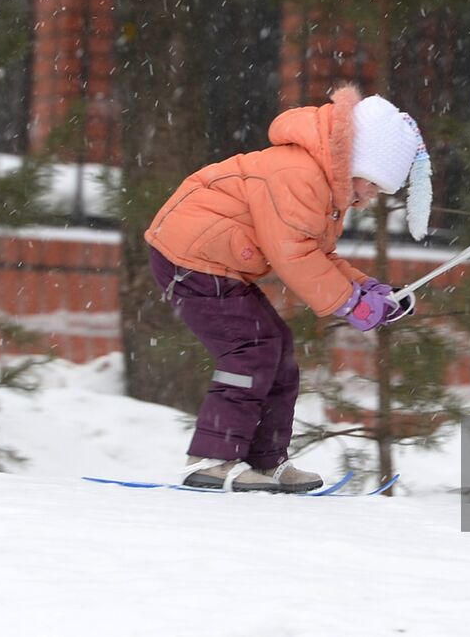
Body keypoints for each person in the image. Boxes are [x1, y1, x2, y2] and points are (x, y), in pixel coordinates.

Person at [145, 86, 431, 492]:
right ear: (359, 162)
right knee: (251, 348)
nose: (373, 196)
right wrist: (352, 305)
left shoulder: (325, 185)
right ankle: (211, 459)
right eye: (375, 184)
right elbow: (293, 255)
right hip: (190, 258)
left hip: (219, 263)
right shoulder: (299, 175)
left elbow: (318, 254)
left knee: (276, 347)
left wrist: (369, 289)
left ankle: (264, 461)